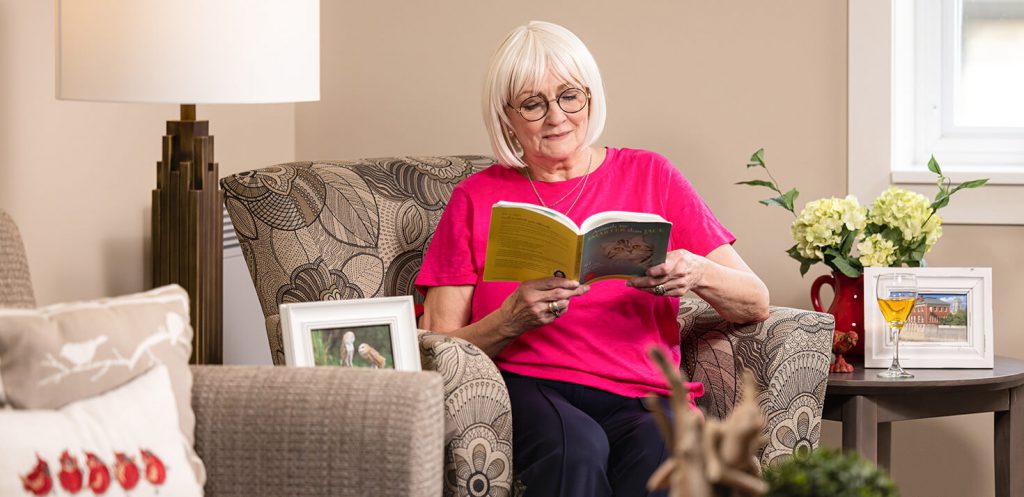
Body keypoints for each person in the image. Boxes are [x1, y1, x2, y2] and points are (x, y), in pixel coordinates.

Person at [416, 20, 770, 497]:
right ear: (507, 116)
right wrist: (509, 320)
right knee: (575, 449)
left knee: (669, 456)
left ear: (590, 96)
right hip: (531, 384)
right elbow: (438, 347)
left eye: (569, 96)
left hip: (642, 393)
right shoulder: (475, 199)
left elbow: (755, 301)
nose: (556, 116)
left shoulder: (652, 175)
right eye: (532, 103)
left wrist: (697, 270)